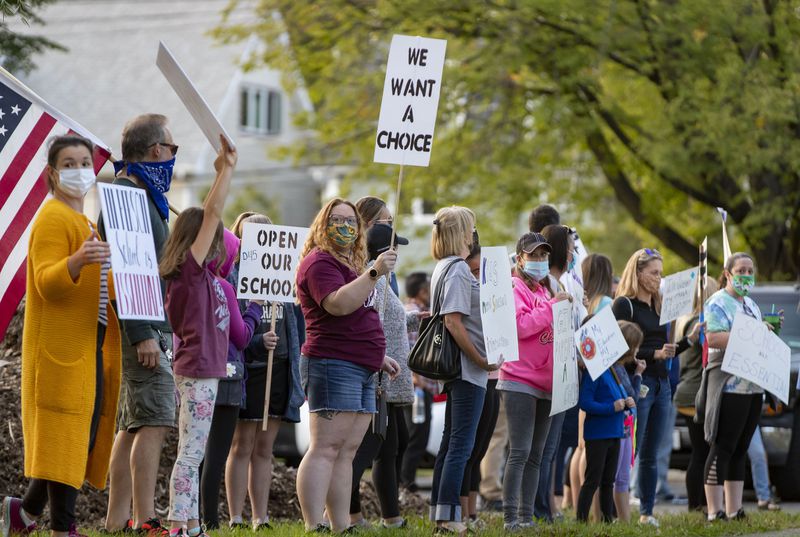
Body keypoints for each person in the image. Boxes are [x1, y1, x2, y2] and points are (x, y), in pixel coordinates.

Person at [1, 135, 119, 537]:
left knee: (73, 439)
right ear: (52, 173)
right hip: (59, 353)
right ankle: (62, 528)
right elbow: (46, 282)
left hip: (86, 349)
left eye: (85, 161)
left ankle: (24, 513)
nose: (79, 169)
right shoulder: (53, 217)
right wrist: (77, 259)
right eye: (69, 164)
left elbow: (101, 285)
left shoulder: (83, 221)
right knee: (66, 438)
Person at [294, 198, 400, 532]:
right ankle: (314, 524)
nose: (346, 227)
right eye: (337, 220)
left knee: (346, 452)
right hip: (332, 363)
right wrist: (374, 272)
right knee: (325, 448)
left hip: (363, 366)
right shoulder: (319, 263)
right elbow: (338, 305)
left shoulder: (350, 264)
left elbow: (359, 315)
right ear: (322, 225)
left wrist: (377, 357)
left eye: (351, 221)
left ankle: (341, 525)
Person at [103, 114, 178, 536]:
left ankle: (117, 521)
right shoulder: (127, 196)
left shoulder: (139, 195)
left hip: (150, 327)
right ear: (155, 152)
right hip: (144, 329)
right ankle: (145, 520)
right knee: (153, 421)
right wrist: (142, 333)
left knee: (134, 423)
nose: (171, 157)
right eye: (171, 149)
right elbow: (129, 272)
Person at [159, 135, 237, 537]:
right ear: (196, 240)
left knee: (193, 449)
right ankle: (178, 525)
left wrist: (222, 171)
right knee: (190, 455)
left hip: (202, 371)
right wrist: (226, 170)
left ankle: (190, 525)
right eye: (214, 234)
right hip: (198, 372)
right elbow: (212, 213)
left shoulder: (205, 278)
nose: (220, 240)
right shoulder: (188, 277)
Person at [225, 212, 304, 530]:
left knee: (264, 448)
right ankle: (235, 516)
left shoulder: (286, 277)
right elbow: (232, 329)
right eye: (252, 233)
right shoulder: (233, 273)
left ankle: (261, 516)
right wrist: (258, 341)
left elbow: (295, 325)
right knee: (241, 445)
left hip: (280, 368)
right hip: (251, 369)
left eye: (267, 233)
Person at [612, 248, 702, 527]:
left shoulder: (659, 304)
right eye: (654, 273)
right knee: (628, 450)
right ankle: (617, 511)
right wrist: (654, 355)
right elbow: (619, 349)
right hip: (638, 381)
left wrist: (689, 340)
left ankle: (647, 512)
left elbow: (668, 350)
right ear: (638, 273)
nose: (658, 278)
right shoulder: (624, 305)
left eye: (661, 273)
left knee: (651, 452)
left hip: (662, 384)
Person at [428, 206, 500, 534]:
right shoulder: (457, 269)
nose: (474, 235)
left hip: (459, 369)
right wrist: (481, 360)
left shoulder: (442, 267)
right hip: (466, 369)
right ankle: (448, 517)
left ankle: (441, 511)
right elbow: (453, 321)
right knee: (461, 444)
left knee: (450, 443)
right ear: (461, 234)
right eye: (470, 229)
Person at [498, 232, 571, 530]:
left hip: (547, 384)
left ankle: (527, 517)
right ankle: (510, 518)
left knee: (536, 455)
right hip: (518, 380)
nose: (540, 261)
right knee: (519, 452)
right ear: (519, 259)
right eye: (534, 256)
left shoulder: (544, 291)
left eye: (544, 256)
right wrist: (553, 308)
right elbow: (519, 326)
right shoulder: (514, 288)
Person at [701, 252, 781, 521]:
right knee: (722, 446)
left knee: (740, 447)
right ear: (727, 273)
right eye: (741, 270)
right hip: (729, 385)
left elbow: (758, 339)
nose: (746, 275)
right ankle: (714, 510)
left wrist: (768, 331)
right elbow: (713, 337)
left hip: (753, 386)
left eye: (750, 270)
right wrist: (754, 333)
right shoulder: (717, 302)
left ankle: (734, 509)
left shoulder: (751, 305)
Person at [349, 221, 415, 529]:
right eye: (395, 248)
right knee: (370, 448)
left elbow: (392, 320)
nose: (398, 253)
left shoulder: (385, 283)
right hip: (377, 378)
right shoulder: (372, 282)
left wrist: (414, 319)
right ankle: (348, 513)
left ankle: (391, 517)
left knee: (390, 446)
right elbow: (371, 324)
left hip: (389, 380)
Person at [198, 229, 263, 529]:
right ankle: (210, 521)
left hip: (193, 374)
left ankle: (189, 518)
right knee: (216, 453)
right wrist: (254, 309)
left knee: (193, 452)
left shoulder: (188, 284)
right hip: (227, 378)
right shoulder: (223, 287)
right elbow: (242, 336)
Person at [533, 224, 580, 521]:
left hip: (561, 375)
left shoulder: (559, 285)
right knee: (542, 450)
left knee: (549, 450)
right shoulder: (547, 285)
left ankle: (546, 506)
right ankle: (540, 509)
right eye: (572, 248)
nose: (574, 254)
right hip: (547, 374)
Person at [576, 322, 638, 523]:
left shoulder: (613, 369)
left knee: (608, 481)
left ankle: (606, 521)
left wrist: (626, 403)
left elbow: (619, 395)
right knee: (592, 479)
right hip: (598, 434)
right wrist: (612, 407)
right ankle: (582, 520)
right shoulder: (594, 372)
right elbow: (585, 402)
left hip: (615, 432)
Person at [459, 244, 500, 530]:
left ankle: (472, 513)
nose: (478, 279)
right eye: (474, 272)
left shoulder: (494, 294)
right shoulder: (464, 290)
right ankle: (463, 513)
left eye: (482, 272)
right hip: (473, 374)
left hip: (494, 377)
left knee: (480, 449)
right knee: (467, 450)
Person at [672, 278, 718, 512]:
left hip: (689, 390)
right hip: (695, 393)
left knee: (700, 452)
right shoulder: (698, 323)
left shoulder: (684, 320)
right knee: (702, 452)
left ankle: (699, 503)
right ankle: (697, 504)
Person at [400, 273, 435, 493]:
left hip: (418, 387)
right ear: (422, 292)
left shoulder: (407, 309)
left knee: (413, 437)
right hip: (417, 388)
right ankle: (407, 484)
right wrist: (416, 378)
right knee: (415, 437)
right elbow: (407, 349)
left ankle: (405, 482)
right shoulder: (414, 313)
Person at [612, 322, 646, 522]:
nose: (638, 350)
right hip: (618, 430)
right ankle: (618, 518)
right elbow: (633, 396)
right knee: (617, 477)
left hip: (625, 430)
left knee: (623, 476)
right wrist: (639, 377)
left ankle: (625, 522)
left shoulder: (622, 368)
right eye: (636, 346)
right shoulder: (617, 369)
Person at [354, 196, 407, 296]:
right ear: (371, 225)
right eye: (389, 221)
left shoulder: (388, 272)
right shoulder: (357, 271)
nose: (394, 249)